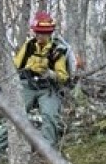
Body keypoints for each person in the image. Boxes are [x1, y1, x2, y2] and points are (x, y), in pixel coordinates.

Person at [10, 10, 71, 147]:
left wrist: (51, 74)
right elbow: (15, 65)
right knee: (14, 114)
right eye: (38, 32)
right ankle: (6, 145)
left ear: (49, 33)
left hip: (47, 89)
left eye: (44, 33)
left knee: (50, 116)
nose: (40, 36)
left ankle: (48, 148)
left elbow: (63, 77)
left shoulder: (57, 50)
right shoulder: (29, 45)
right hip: (27, 85)